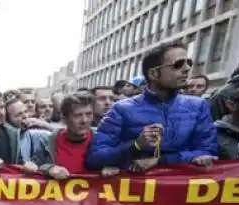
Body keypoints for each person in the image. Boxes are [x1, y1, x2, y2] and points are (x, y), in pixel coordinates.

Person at [87, 42, 218, 173]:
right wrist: (136, 145)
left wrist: (160, 160)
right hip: (137, 190)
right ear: (154, 73)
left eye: (189, 62)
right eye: (178, 65)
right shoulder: (121, 109)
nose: (187, 68)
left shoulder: (198, 106)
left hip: (183, 189)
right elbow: (95, 157)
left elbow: (208, 150)